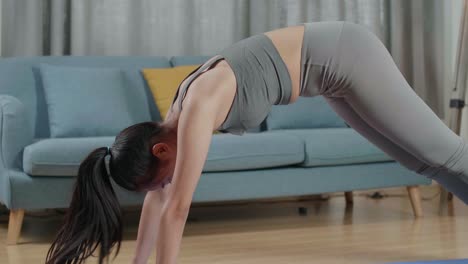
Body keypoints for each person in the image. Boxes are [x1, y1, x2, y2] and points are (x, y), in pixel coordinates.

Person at [45, 21, 468, 264]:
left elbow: (176, 209)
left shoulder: (196, 108)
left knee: (442, 152)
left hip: (347, 56)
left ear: (160, 150)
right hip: (329, 78)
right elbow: (161, 200)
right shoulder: (175, 115)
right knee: (424, 165)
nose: (162, 186)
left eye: (157, 179)